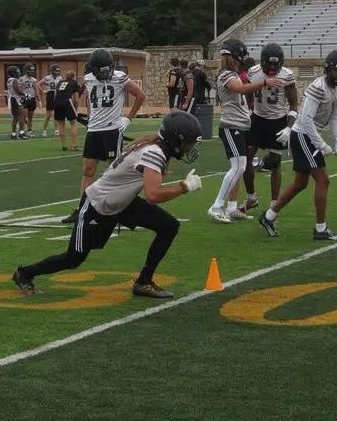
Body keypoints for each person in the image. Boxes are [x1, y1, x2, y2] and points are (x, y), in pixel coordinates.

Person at [12, 111, 204, 299]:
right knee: (73, 259)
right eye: (187, 142)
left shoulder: (154, 147)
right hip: (98, 205)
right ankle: (25, 273)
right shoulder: (154, 152)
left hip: (121, 202)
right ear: (175, 139)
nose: (188, 147)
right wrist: (184, 187)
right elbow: (153, 194)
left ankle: (144, 281)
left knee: (169, 226)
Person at [258, 49, 337, 241]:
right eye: (336, 71)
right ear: (328, 70)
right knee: (323, 180)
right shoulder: (319, 86)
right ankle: (321, 229)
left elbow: (334, 116)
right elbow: (306, 119)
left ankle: (268, 216)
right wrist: (322, 144)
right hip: (303, 135)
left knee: (300, 183)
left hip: (308, 136)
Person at [61, 49, 146, 223]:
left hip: (112, 130)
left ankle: (117, 209)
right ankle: (81, 209)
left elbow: (140, 95)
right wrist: (91, 117)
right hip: (94, 131)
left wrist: (128, 119)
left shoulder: (120, 77)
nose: (106, 73)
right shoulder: (89, 78)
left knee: (115, 172)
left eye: (108, 70)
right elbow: (90, 100)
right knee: (87, 171)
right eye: (102, 70)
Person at [207, 39, 282, 224]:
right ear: (234, 57)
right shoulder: (225, 75)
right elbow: (239, 88)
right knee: (238, 167)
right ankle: (216, 206)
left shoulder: (231, 73)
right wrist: (264, 83)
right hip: (231, 126)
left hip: (239, 126)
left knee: (240, 167)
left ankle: (231, 208)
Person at [238, 43, 298, 213]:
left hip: (278, 120)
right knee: (246, 158)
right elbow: (248, 94)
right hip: (257, 118)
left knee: (275, 162)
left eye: (275, 64)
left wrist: (288, 128)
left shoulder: (287, 75)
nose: (272, 67)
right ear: (262, 61)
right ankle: (251, 198)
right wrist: (247, 112)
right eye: (269, 64)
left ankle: (274, 202)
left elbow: (293, 104)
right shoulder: (254, 72)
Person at [52, 70, 82, 151]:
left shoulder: (59, 82)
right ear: (73, 77)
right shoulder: (75, 83)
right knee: (73, 122)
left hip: (56, 101)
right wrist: (76, 108)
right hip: (67, 101)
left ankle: (64, 146)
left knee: (61, 123)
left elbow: (56, 94)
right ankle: (73, 145)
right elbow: (76, 99)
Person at [36, 64, 62, 137]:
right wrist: (43, 91)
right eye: (56, 71)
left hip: (57, 95)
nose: (57, 72)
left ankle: (56, 130)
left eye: (58, 71)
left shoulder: (60, 78)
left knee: (57, 114)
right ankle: (44, 130)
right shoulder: (48, 78)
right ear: (52, 71)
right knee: (48, 115)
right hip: (50, 95)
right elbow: (38, 84)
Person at [6, 65, 28, 140]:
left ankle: (13, 133)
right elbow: (17, 90)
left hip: (11, 99)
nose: (18, 73)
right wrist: (25, 94)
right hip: (15, 99)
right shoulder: (14, 80)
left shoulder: (9, 80)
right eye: (17, 72)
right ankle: (21, 133)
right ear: (13, 73)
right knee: (23, 115)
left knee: (15, 117)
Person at [21, 62, 39, 137]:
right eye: (30, 70)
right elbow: (20, 89)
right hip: (24, 99)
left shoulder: (34, 80)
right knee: (23, 116)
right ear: (26, 70)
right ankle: (22, 130)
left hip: (32, 98)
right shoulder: (21, 79)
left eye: (32, 70)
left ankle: (29, 131)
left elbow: (36, 89)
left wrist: (39, 100)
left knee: (30, 117)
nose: (32, 72)